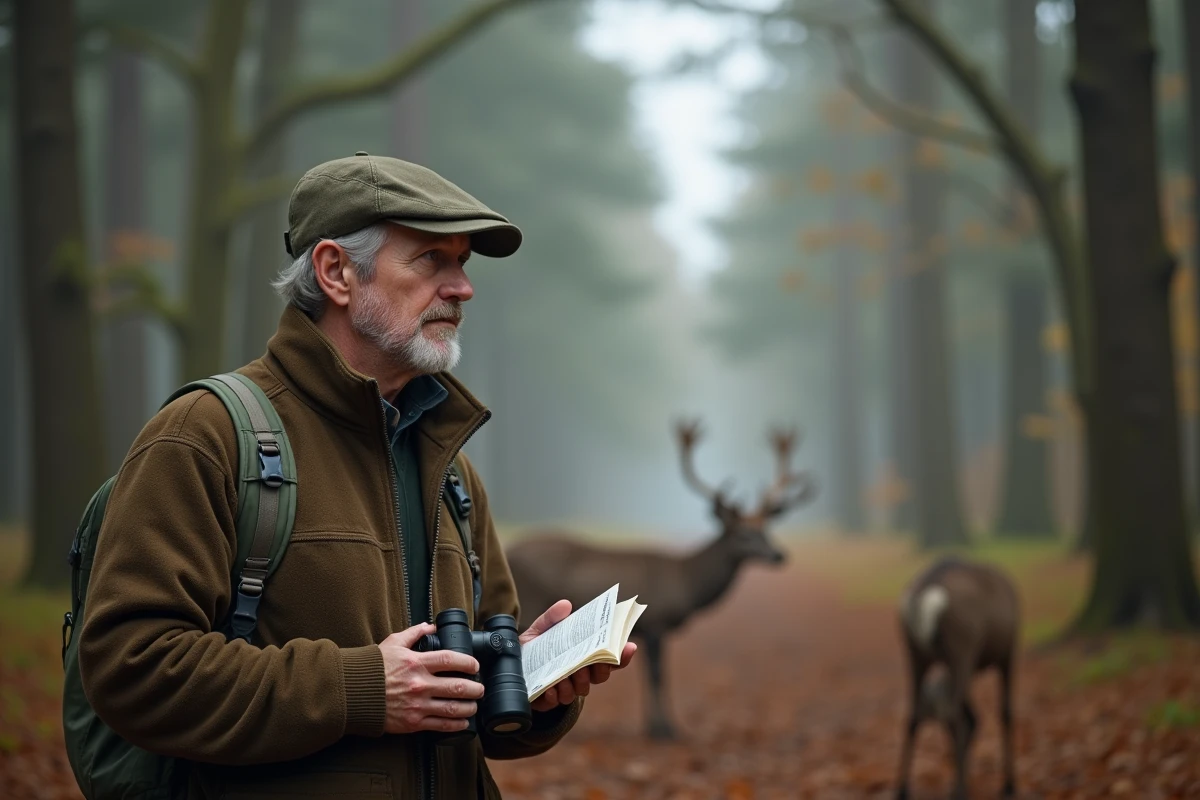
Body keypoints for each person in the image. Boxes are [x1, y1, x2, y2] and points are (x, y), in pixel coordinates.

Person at [78, 152, 637, 799]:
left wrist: (533, 687)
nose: (462, 288)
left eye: (463, 263)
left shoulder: (450, 469)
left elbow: (476, 720)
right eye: (432, 259)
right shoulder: (206, 437)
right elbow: (132, 668)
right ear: (335, 272)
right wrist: (362, 688)